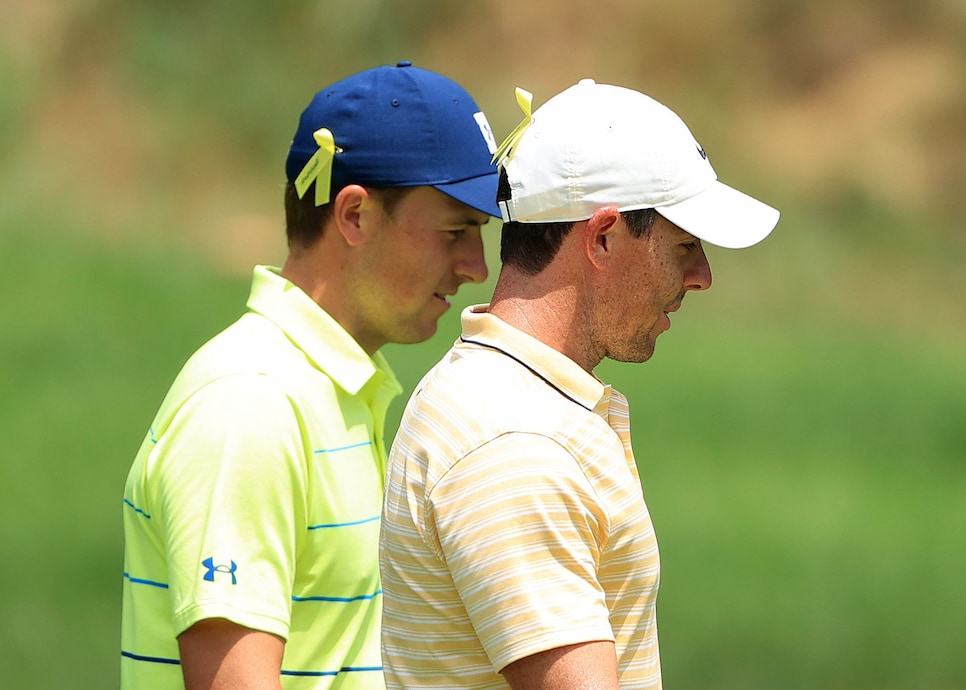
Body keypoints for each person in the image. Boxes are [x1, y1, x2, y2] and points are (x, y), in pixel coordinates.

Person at [379, 79, 780, 689]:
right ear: (603, 236)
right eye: (684, 246)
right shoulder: (513, 445)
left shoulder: (503, 402)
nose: (701, 276)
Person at [120, 61, 500, 689]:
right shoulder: (250, 406)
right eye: (456, 231)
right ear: (355, 216)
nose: (475, 267)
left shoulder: (337, 389)